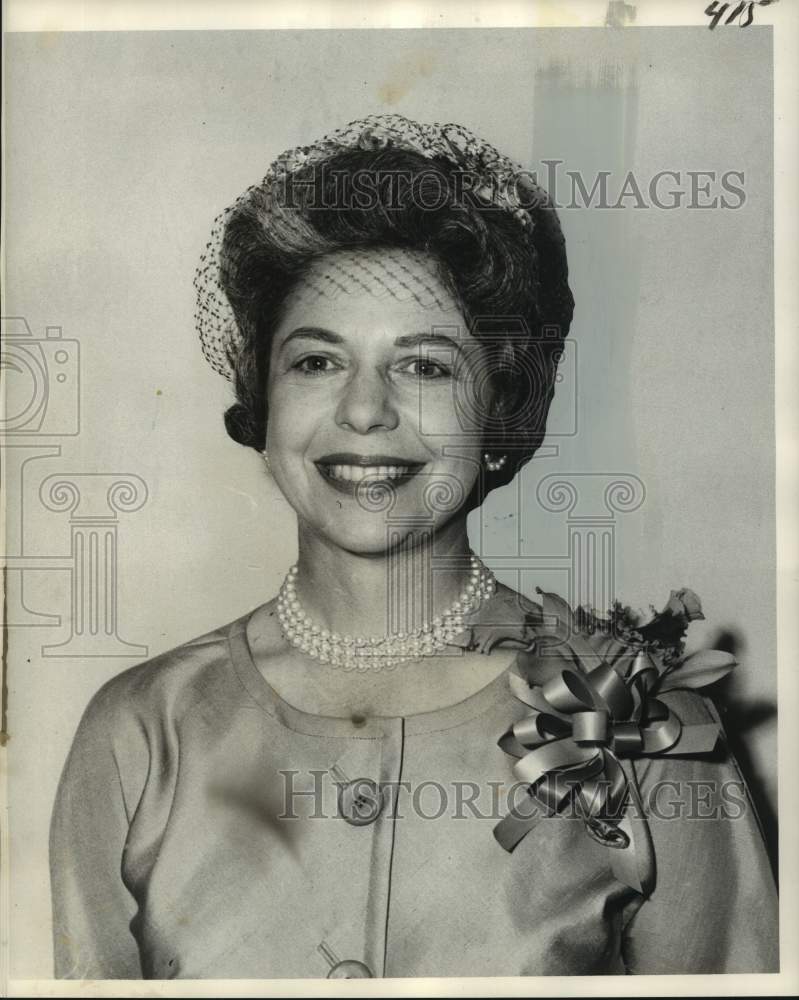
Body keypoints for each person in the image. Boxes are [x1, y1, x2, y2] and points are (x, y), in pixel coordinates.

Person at [49, 114, 778, 980]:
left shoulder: (643, 725)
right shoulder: (139, 730)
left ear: (497, 407)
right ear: (263, 396)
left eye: (424, 367)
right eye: (316, 363)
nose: (364, 411)